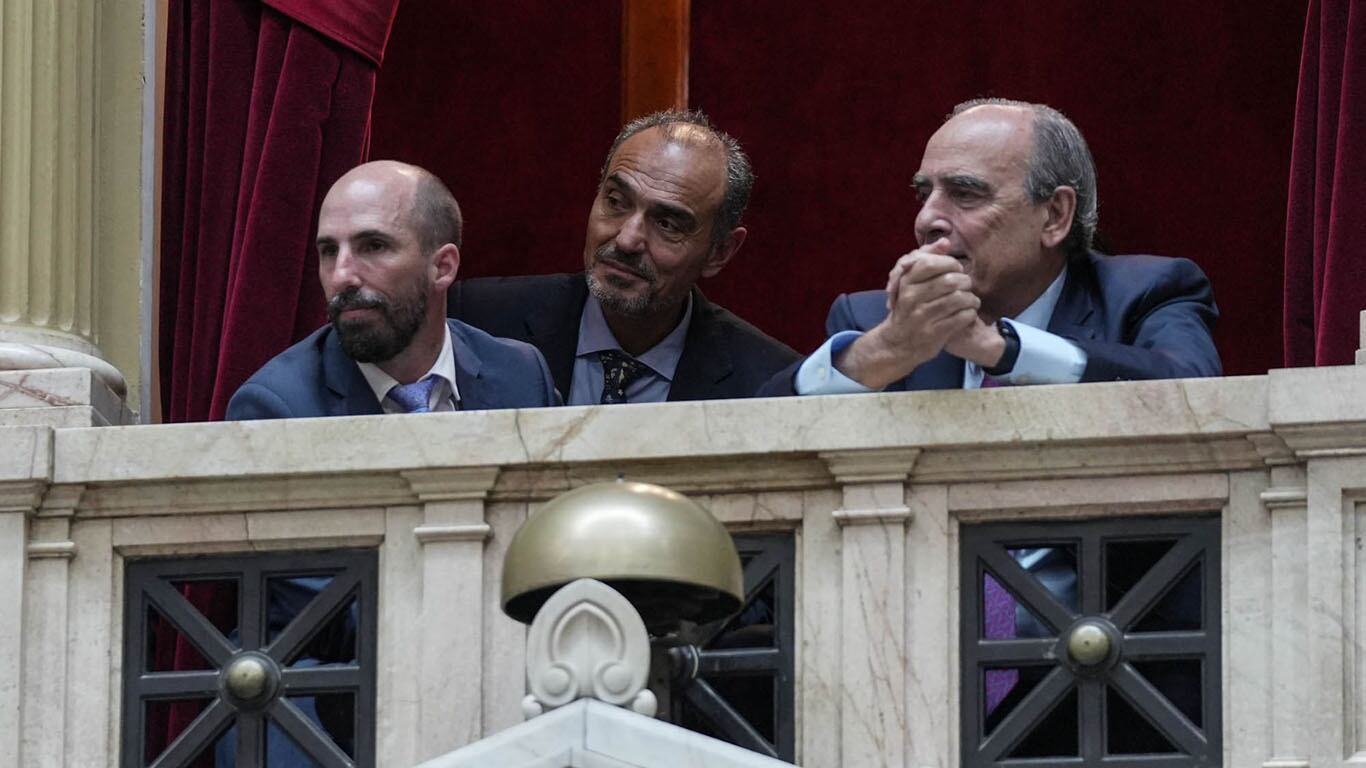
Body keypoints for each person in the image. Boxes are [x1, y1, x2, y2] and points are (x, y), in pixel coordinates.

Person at [759, 98, 1220, 398]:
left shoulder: (1146, 292)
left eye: (965, 194)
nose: (926, 221)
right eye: (925, 195)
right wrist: (879, 352)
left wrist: (1000, 348)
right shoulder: (873, 320)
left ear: (1055, 215)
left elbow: (1200, 396)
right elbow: (757, 430)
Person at [448, 110, 798, 405]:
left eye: (666, 223)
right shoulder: (477, 319)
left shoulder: (766, 386)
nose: (627, 239)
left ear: (720, 252)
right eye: (616, 202)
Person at [227, 160, 559, 419]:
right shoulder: (277, 407)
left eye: (372, 246)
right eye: (329, 251)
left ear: (442, 266)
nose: (342, 276)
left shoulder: (521, 374)